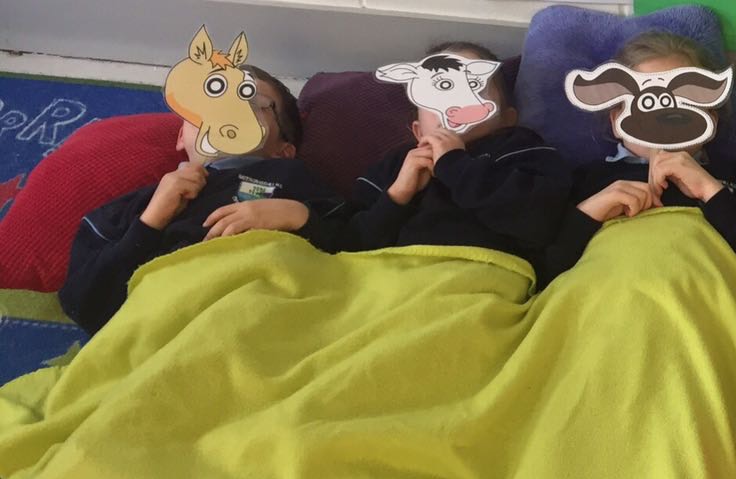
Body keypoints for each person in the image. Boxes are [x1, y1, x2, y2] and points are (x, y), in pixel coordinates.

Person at [60, 68, 343, 335]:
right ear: (182, 136)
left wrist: (300, 216)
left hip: (267, 318)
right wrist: (149, 223)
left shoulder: (292, 177)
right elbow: (85, 307)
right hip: (165, 327)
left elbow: (358, 250)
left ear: (284, 151)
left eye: (251, 101)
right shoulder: (136, 206)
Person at [542, 31, 736, 306]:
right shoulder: (588, 180)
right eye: (644, 104)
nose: (663, 117)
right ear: (616, 120)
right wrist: (590, 212)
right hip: (608, 304)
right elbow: (545, 276)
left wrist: (711, 191)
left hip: (704, 306)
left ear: (711, 118)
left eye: (683, 102)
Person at [314, 41, 569, 271]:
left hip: (485, 273)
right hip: (392, 277)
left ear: (507, 119)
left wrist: (456, 166)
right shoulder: (394, 166)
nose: (452, 104)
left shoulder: (519, 147)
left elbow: (542, 221)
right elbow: (349, 245)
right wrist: (398, 196)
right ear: (418, 130)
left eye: (475, 86)